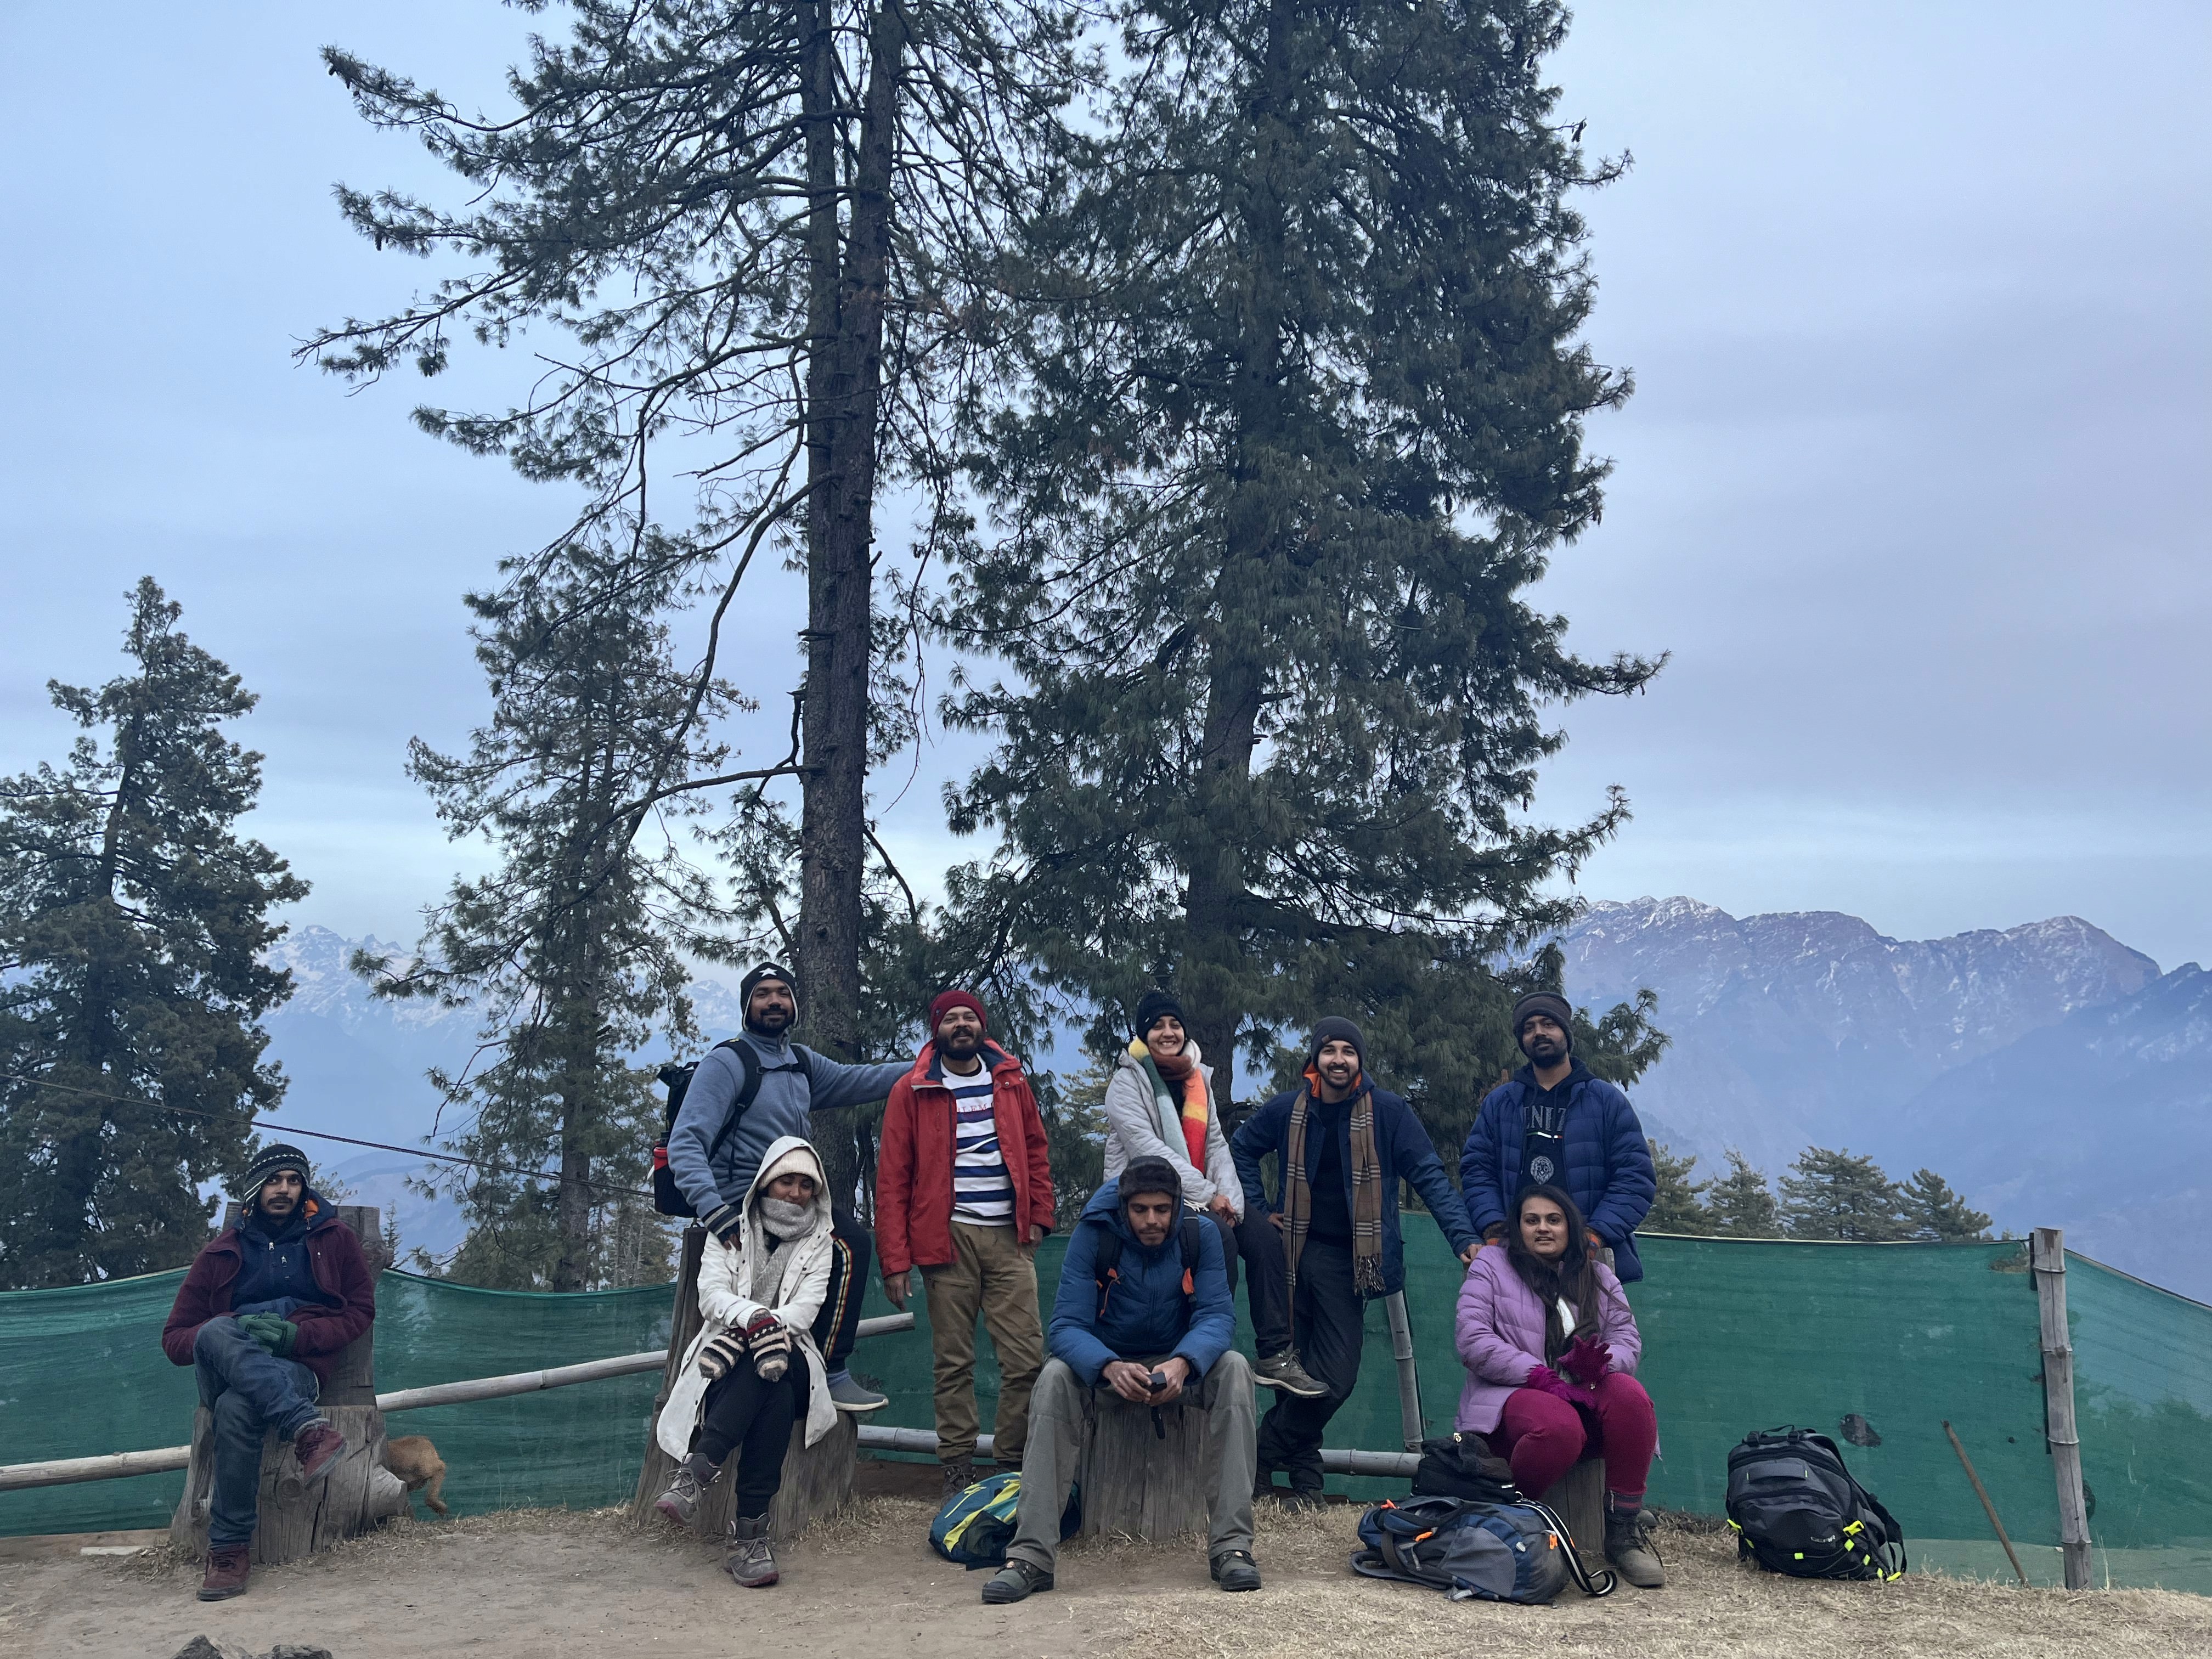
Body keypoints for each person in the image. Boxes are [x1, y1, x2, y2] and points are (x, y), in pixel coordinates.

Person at [980, 1156, 1260, 1602]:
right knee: (1053, 1378)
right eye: (1140, 1209)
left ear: (1177, 1205)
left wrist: (1184, 1363)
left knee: (1236, 1370)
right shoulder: (1095, 1234)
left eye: (1162, 1209)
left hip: (1176, 1367)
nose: (1152, 1220)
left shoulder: (1202, 1234)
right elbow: (1066, 1326)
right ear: (1124, 1206)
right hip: (1107, 1370)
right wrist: (1108, 1365)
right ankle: (1031, 1556)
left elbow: (1218, 1317)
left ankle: (1232, 1548)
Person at [1231, 1017, 1479, 1508]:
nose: (1339, 1060)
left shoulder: (1388, 1112)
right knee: (1295, 1373)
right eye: (1330, 1051)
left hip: (1351, 1262)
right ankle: (1305, 1483)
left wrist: (1463, 1237)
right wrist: (1257, 1213)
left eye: (1348, 1051)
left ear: (1360, 1061)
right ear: (1315, 1060)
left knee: (1336, 1377)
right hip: (1291, 1254)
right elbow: (1241, 1148)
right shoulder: (1288, 1109)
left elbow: (1429, 1175)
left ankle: (1259, 1452)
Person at [666, 961, 911, 1410]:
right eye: (762, 994)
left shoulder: (801, 1062)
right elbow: (686, 1143)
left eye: (782, 993)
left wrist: (929, 1066)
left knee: (848, 1246)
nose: (774, 1001)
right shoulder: (728, 1062)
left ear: (795, 1004)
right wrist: (714, 1210)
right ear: (747, 1007)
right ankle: (828, 1373)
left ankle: (814, 1369)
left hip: (792, 1195)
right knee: (848, 1245)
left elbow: (859, 1080)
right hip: (742, 1199)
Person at [159, 1144, 376, 1602]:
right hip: (224, 1372)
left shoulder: (334, 1239)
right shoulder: (221, 1253)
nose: (284, 1190)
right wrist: (236, 1327)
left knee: (237, 1408)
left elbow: (360, 1311)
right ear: (255, 1189)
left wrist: (298, 1337)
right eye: (274, 1181)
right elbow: (175, 1339)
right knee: (215, 1330)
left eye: (294, 1181)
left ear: (305, 1188)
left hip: (296, 1369)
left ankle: (228, 1551)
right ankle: (307, 1429)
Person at [874, 988, 1056, 1494]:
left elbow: (1036, 1150)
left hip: (1009, 1236)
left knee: (1025, 1360)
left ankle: (1012, 1466)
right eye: (950, 1018)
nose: (960, 1025)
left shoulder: (1011, 1080)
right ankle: (956, 1468)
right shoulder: (913, 1089)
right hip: (945, 1238)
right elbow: (892, 1178)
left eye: (968, 1017)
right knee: (953, 1362)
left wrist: (1040, 1217)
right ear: (937, 1029)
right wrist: (895, 1261)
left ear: (981, 1026)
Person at [1102, 989, 1323, 1399]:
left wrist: (1232, 1202)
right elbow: (1149, 1151)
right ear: (1143, 1034)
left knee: (1262, 1238)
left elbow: (1217, 1145)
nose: (1168, 1033)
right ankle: (1206, 1349)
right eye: (1157, 1026)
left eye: (1175, 1024)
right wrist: (1208, 1196)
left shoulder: (1198, 1078)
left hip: (1203, 1193)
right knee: (1218, 1238)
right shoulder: (1126, 1083)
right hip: (1149, 1197)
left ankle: (1275, 1354)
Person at [652, 1136, 842, 1588]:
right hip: (725, 1362)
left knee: (776, 1366)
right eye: (786, 1181)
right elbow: (711, 1296)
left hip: (793, 1352)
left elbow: (804, 1312)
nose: (796, 1193)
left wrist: (758, 1330)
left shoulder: (822, 1242)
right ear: (766, 1182)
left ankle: (696, 1474)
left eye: (806, 1185)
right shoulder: (730, 1229)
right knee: (771, 1389)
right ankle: (751, 1538)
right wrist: (754, 1321)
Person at [1453, 1183, 1664, 1588]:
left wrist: (1599, 1365)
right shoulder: (1491, 1265)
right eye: (1531, 1220)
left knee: (1631, 1397)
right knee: (1558, 1427)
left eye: (1554, 1220)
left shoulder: (1599, 1275)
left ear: (1571, 1227)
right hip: (1513, 1394)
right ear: (1518, 1227)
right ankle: (1512, 1519)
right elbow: (1472, 1339)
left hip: (1583, 1393)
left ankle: (1622, 1530)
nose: (1543, 1228)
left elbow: (1627, 1340)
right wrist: (1537, 1374)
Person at [1459, 991, 1657, 1282]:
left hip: (1589, 1264)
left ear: (1566, 1032)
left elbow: (1635, 1177)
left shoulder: (1606, 1102)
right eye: (1529, 1028)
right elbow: (1477, 1170)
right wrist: (1494, 1228)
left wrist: (1596, 1234)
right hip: (1513, 1260)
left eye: (1548, 1024)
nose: (1539, 1032)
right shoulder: (1501, 1103)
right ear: (1522, 1040)